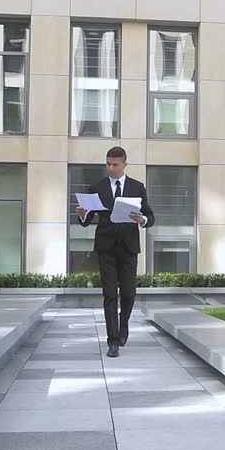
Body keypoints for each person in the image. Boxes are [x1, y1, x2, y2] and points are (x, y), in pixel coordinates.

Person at [75, 146, 155, 358]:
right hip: (106, 248)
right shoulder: (97, 187)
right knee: (110, 295)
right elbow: (86, 221)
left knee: (128, 293)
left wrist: (143, 220)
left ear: (124, 165)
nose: (111, 168)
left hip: (128, 247)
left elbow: (150, 216)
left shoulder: (138, 187)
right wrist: (82, 215)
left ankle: (124, 325)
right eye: (108, 164)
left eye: (115, 164)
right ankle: (113, 341)